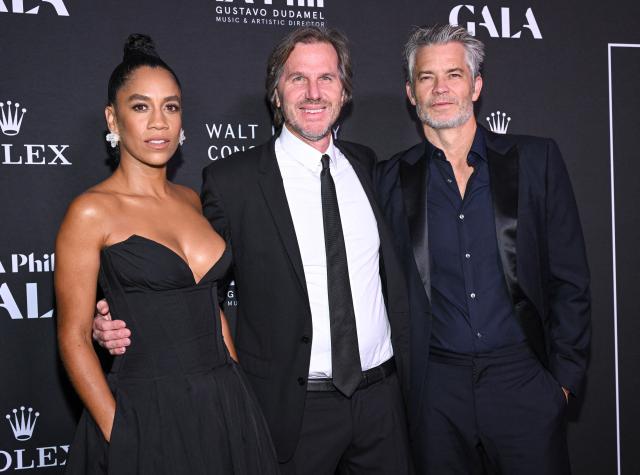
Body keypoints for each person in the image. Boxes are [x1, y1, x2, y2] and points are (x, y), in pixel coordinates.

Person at [94, 26, 412, 474]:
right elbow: (188, 278)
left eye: (327, 78)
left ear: (344, 92)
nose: (314, 92)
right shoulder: (231, 182)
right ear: (276, 94)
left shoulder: (368, 166)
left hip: (381, 402)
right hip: (290, 410)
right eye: (297, 78)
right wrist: (114, 313)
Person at [56, 34, 278, 474]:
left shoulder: (192, 200)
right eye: (141, 107)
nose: (159, 122)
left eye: (171, 106)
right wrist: (118, 430)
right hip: (145, 412)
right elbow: (74, 338)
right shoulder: (91, 211)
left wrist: (238, 389)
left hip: (224, 404)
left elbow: (209, 305)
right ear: (112, 118)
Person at [376, 24, 591, 474]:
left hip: (523, 380)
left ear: (476, 85)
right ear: (411, 93)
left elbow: (570, 279)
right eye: (426, 77)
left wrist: (563, 384)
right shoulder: (389, 179)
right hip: (436, 392)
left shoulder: (536, 161)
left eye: (453, 75)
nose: (440, 89)